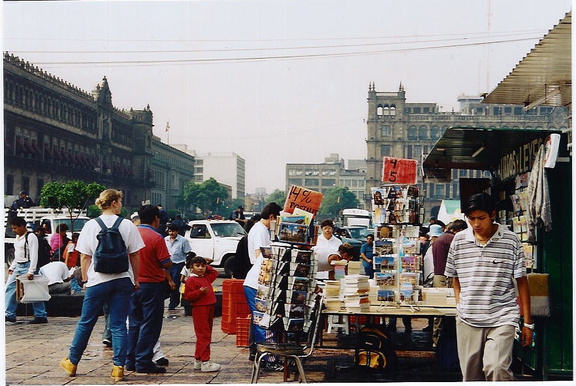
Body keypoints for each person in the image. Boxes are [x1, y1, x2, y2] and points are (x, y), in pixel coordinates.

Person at [445, 193, 532, 381]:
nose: (476, 224)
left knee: (497, 367)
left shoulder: (511, 241)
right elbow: (455, 278)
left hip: (502, 316)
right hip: (468, 318)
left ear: (492, 215)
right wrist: (460, 304)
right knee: (471, 376)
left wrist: (527, 323)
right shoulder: (459, 241)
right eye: (471, 218)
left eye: (481, 218)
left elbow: (522, 282)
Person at [60, 189, 144, 382]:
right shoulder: (127, 225)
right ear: (114, 203)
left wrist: (87, 279)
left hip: (98, 280)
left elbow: (84, 256)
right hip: (123, 279)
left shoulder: (90, 225)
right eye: (120, 201)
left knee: (86, 322)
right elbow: (135, 255)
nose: (122, 204)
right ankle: (118, 367)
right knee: (118, 324)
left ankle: (72, 362)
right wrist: (136, 279)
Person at [125, 204, 172, 374]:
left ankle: (130, 360)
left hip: (132, 284)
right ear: (156, 219)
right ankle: (143, 361)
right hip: (152, 285)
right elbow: (166, 262)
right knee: (150, 324)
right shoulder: (156, 237)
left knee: (134, 323)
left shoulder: (131, 233)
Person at [243, 202, 283, 371]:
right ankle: (269, 359)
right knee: (263, 321)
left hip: (259, 282)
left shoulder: (263, 230)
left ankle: (260, 353)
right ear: (272, 216)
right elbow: (261, 256)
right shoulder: (260, 230)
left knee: (260, 320)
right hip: (257, 283)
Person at [5, 216, 49, 324]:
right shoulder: (18, 237)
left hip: (28, 265)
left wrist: (31, 270)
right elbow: (18, 254)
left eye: (15, 228)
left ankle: (40, 314)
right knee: (10, 288)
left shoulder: (31, 237)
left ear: (22, 227)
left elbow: (34, 254)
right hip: (19, 265)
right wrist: (12, 266)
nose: (14, 231)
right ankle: (9, 313)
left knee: (34, 290)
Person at [183, 255, 222, 372]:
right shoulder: (190, 280)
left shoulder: (205, 277)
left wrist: (207, 264)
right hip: (200, 308)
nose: (201, 268)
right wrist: (198, 292)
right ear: (191, 267)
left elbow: (214, 273)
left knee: (205, 334)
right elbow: (187, 296)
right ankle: (205, 361)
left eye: (203, 266)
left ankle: (199, 360)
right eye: (197, 266)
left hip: (209, 306)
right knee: (203, 335)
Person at [164, 223, 192, 312]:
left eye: (173, 231)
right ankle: (168, 299)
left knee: (175, 285)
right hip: (167, 265)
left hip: (178, 265)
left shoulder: (183, 241)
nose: (171, 233)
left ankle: (173, 304)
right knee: (166, 284)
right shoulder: (165, 240)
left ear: (177, 231)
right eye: (169, 231)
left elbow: (188, 253)